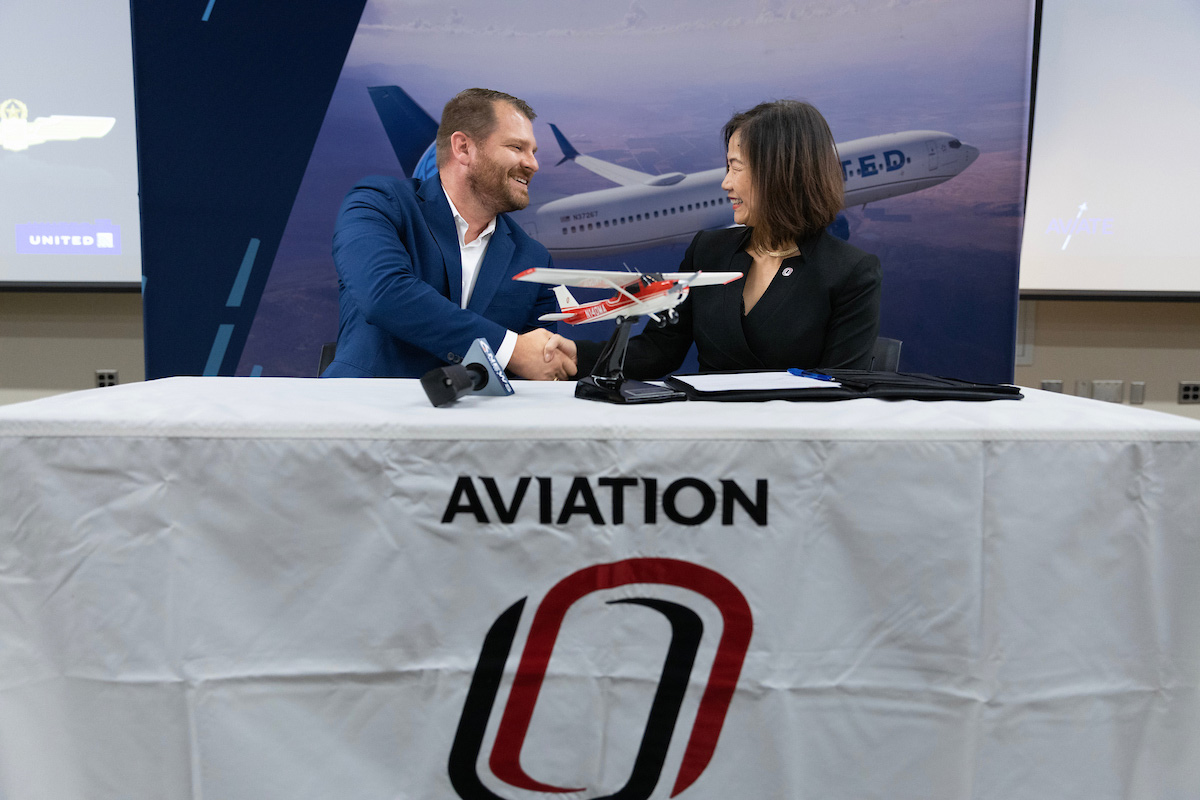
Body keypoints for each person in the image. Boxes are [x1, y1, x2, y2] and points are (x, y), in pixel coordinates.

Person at [546, 100, 881, 378]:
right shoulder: (708, 250)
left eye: (736, 167)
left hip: (795, 450)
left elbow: (842, 393)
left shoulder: (851, 273)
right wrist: (578, 354)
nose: (726, 183)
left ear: (780, 172)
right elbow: (658, 350)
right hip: (707, 444)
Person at [323, 88, 575, 380]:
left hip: (479, 423)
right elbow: (384, 295)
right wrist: (510, 349)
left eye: (533, 152)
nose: (533, 164)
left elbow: (535, 368)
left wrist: (552, 363)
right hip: (364, 416)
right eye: (517, 148)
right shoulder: (379, 203)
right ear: (463, 148)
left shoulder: (533, 257)